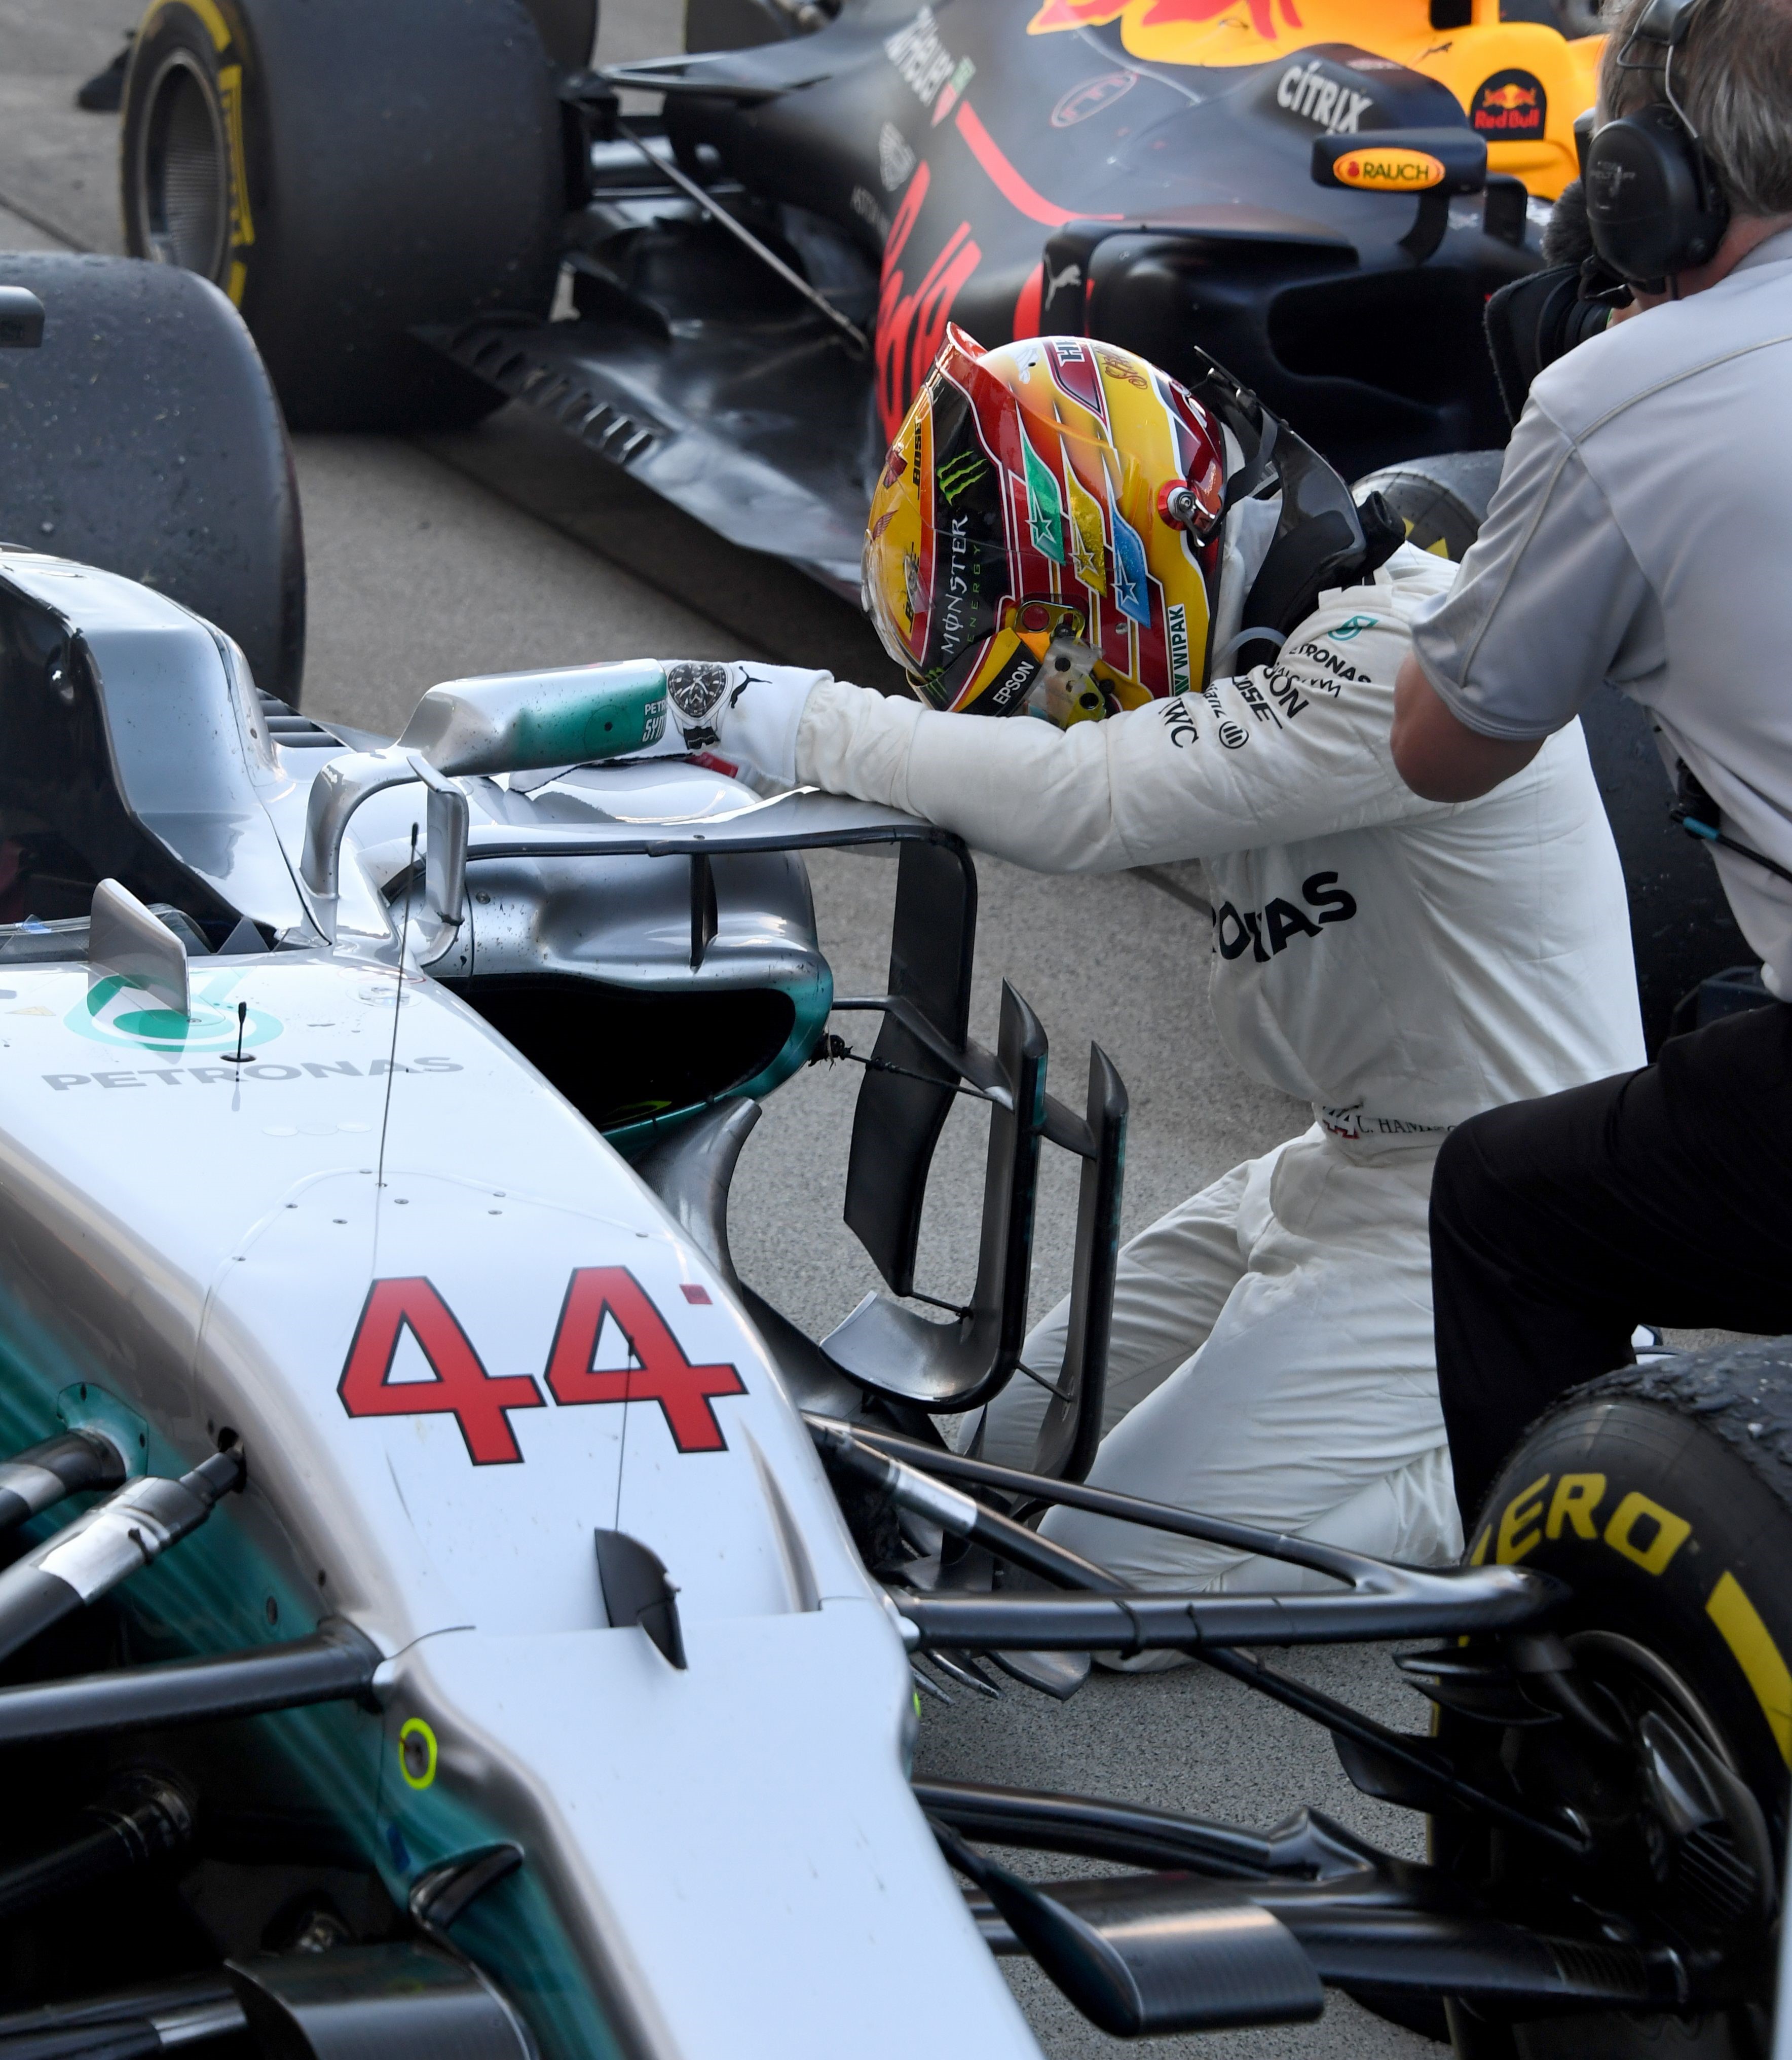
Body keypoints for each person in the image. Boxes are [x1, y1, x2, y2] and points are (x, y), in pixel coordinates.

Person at [670, 322, 1642, 1592]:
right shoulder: (1294, 640)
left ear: (1117, 568)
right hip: (1339, 1161)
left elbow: (1086, 799)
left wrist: (775, 714)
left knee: (1084, 1582)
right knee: (1005, 1462)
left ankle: (1552, 1448)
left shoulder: (1403, 651)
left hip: (1485, 1215)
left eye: (1035, 657)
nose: (1041, 698)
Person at [1390, 0, 1792, 1534]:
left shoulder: (1622, 400)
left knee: (1507, 1207)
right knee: (1721, 1028)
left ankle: (1540, 1726)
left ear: (1641, 181)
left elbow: (1446, 750)